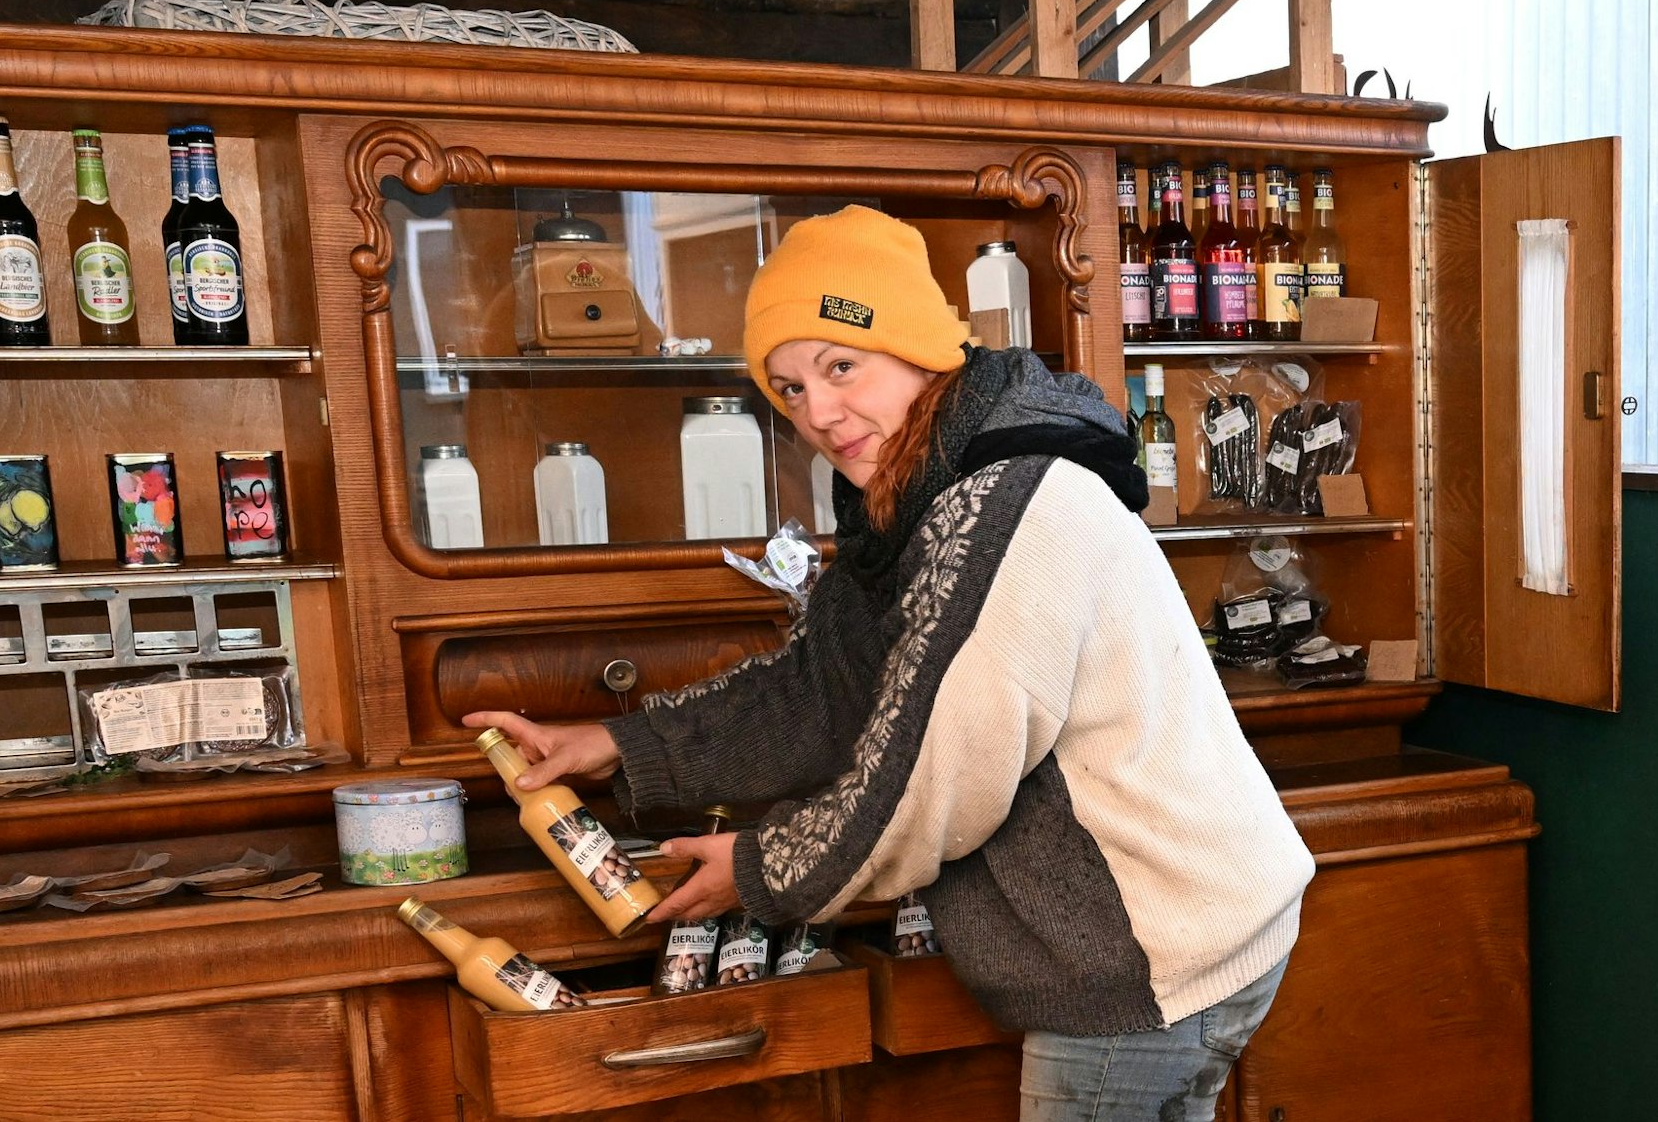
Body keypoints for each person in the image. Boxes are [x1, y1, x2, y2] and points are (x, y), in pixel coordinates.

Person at [468, 204, 1314, 1122]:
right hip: (1176, 928)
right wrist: (620, 745)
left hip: (1152, 954)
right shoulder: (918, 497)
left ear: (920, 350)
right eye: (788, 388)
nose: (820, 413)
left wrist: (763, 870)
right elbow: (821, 688)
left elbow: (934, 776)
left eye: (841, 365)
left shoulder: (1006, 498)